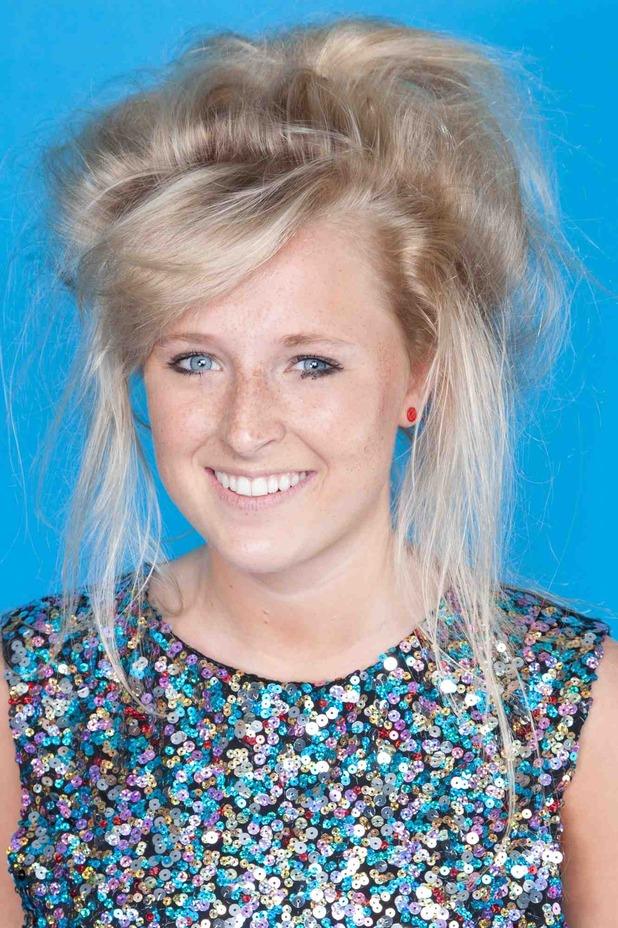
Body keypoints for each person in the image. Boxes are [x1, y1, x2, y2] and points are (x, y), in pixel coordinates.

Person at [0, 15, 616, 928]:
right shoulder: (32, 694)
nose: (246, 427)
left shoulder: (570, 703)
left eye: (312, 363)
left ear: (417, 376)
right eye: (195, 360)